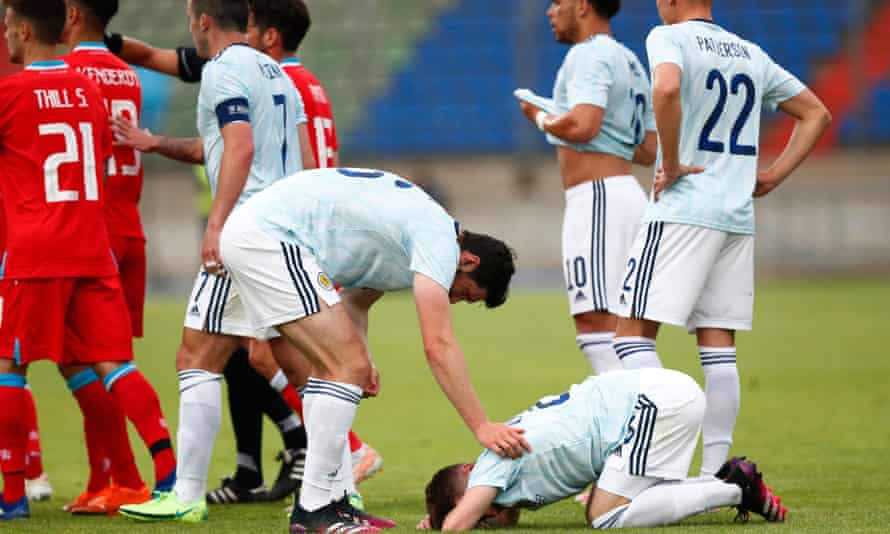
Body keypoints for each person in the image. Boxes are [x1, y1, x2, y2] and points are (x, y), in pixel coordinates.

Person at [108, 0, 381, 505]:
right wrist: (155, 142)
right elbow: (288, 153)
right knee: (304, 365)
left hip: (246, 231)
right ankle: (343, 488)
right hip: (285, 228)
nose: (189, 23)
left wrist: (217, 224)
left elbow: (240, 147)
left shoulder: (222, 70)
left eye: (191, 15)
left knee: (198, 356)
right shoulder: (277, 73)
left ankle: (186, 496)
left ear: (204, 20)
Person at [216, 167, 527, 533]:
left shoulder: (414, 237)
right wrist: (482, 426)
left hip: (260, 236)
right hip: (271, 239)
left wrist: (363, 357)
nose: (454, 299)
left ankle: (338, 500)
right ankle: (313, 509)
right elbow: (438, 345)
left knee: (336, 368)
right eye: (464, 293)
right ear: (469, 261)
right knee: (344, 367)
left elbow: (356, 303)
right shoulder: (440, 241)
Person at [613, 0, 831, 477]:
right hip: (736, 216)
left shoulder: (666, 38)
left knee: (630, 337)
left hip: (683, 210)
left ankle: (654, 462)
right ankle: (714, 479)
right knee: (718, 348)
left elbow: (666, 87)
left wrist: (668, 162)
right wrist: (772, 175)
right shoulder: (750, 53)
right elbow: (816, 113)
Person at [0, 0, 175, 520]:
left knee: (11, 366)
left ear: (25, 31)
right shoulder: (91, 89)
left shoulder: (9, 93)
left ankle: (12, 497)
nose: (5, 36)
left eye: (7, 27)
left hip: (34, 251)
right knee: (115, 365)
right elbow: (99, 155)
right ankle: (167, 479)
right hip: (92, 247)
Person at [420, 368, 786, 531]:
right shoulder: (503, 480)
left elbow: (459, 526)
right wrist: (440, 515)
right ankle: (730, 482)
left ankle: (736, 488)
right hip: (656, 396)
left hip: (654, 403)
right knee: (632, 501)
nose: (488, 513)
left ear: (470, 471)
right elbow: (501, 517)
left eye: (478, 506)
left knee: (604, 516)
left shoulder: (492, 461)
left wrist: (446, 523)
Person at [516, 0, 656, 375]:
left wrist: (541, 116)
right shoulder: (630, 61)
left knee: (595, 325)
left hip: (597, 200)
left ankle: (640, 424)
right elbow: (648, 148)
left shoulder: (587, 55)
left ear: (581, 6)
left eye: (557, 2)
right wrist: (560, 114)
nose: (550, 11)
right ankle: (651, 420)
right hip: (626, 194)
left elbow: (584, 126)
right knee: (628, 332)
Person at [59, 0, 154, 514]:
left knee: (84, 362)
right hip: (129, 229)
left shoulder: (61, 75)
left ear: (71, 12)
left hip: (82, 233)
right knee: (112, 361)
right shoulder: (127, 75)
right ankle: (105, 480)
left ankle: (124, 478)